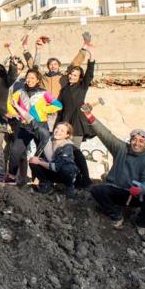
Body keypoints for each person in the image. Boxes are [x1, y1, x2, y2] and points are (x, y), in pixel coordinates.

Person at [82, 105, 145, 228]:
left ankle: (140, 222)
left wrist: (141, 189)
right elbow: (106, 135)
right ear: (130, 140)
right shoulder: (121, 148)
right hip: (116, 190)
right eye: (134, 139)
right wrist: (89, 116)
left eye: (141, 141)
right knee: (97, 190)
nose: (136, 143)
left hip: (134, 195)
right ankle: (116, 215)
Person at [6, 69, 62, 185]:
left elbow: (58, 105)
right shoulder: (20, 92)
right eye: (28, 77)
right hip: (25, 126)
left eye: (32, 78)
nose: (29, 80)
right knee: (16, 151)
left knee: (44, 154)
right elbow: (9, 103)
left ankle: (46, 180)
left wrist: (43, 109)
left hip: (40, 126)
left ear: (37, 80)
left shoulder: (43, 93)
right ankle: (11, 176)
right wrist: (16, 114)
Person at [55, 42, 95, 187]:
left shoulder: (82, 87)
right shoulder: (65, 89)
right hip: (65, 122)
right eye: (71, 74)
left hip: (77, 123)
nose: (72, 76)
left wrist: (91, 55)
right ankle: (72, 179)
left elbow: (90, 73)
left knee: (75, 151)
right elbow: (61, 108)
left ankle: (85, 179)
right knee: (66, 152)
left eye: (75, 75)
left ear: (80, 78)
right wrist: (57, 125)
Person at [27, 122, 79, 198]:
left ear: (67, 135)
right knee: (33, 161)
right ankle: (46, 184)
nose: (58, 131)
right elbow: (38, 128)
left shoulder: (67, 146)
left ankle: (69, 186)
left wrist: (40, 162)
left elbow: (57, 167)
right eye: (57, 128)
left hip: (62, 173)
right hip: (50, 170)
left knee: (66, 168)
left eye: (62, 131)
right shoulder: (47, 139)